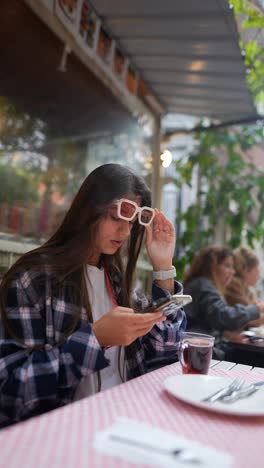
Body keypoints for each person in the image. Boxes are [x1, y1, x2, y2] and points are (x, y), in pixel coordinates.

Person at [0, 163, 186, 428]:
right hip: (65, 432)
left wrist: (163, 266)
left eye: (132, 223)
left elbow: (165, 351)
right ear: (88, 210)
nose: (124, 231)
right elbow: (12, 390)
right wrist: (96, 340)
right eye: (115, 216)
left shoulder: (118, 282)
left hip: (126, 422)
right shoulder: (34, 280)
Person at [183, 245, 264, 358]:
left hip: (207, 349)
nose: (232, 272)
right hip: (200, 352)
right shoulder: (203, 285)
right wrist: (257, 309)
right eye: (227, 266)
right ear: (212, 266)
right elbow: (224, 317)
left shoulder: (206, 285)